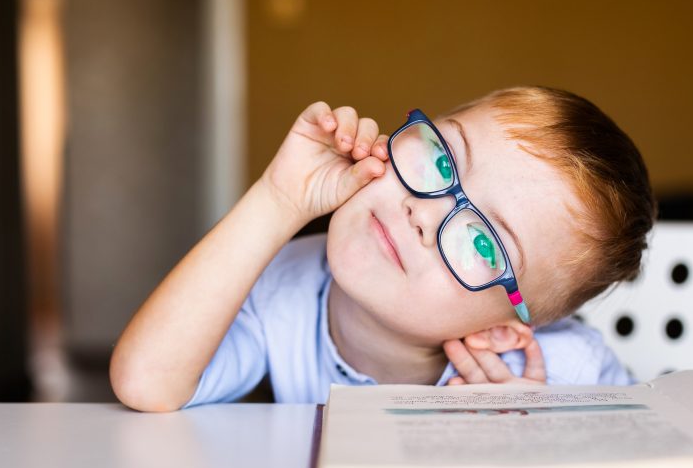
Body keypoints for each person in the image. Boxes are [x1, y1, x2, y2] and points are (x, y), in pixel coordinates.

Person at [109, 86, 656, 412]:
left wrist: (536, 445)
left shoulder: (562, 376)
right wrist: (277, 200)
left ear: (498, 332)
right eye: (442, 162)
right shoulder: (285, 289)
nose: (425, 211)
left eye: (483, 240)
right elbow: (147, 383)